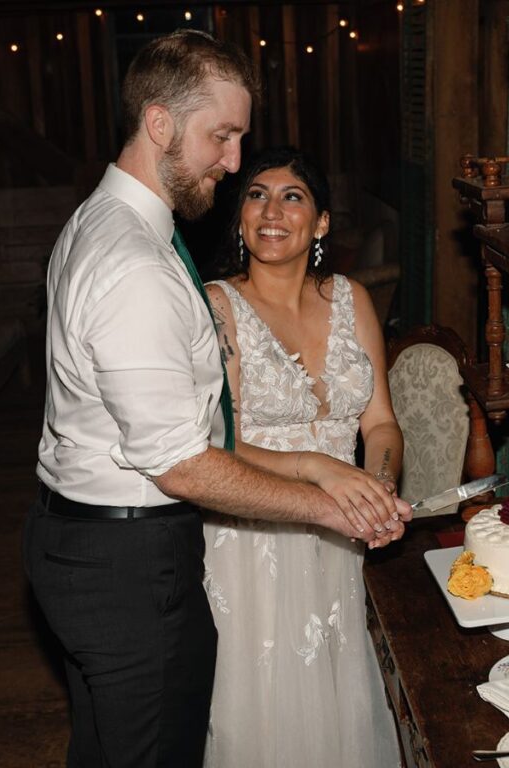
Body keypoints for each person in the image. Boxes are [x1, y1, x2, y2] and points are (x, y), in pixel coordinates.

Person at [22, 32, 409, 768]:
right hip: (126, 559)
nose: (234, 163)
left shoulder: (114, 226)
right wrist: (329, 498)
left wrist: (358, 481)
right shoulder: (135, 262)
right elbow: (183, 462)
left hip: (96, 545)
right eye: (223, 137)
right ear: (162, 124)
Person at [202, 147, 403, 768]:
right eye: (256, 195)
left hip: (337, 541)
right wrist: (318, 467)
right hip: (251, 538)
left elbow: (381, 423)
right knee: (259, 707)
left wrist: (378, 490)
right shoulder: (216, 305)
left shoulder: (352, 298)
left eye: (293, 197)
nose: (271, 210)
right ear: (239, 218)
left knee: (336, 697)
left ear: (320, 224)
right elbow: (218, 444)